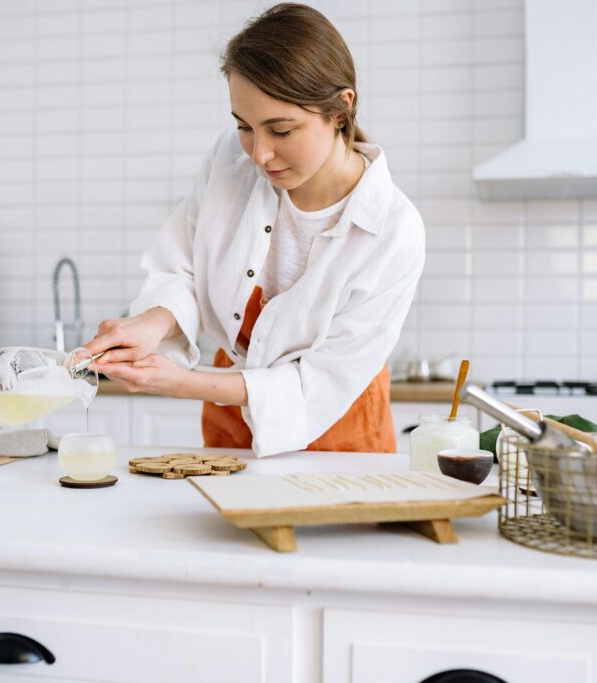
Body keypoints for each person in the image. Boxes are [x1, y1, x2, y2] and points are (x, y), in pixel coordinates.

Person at [83, 3, 425, 456]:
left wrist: (183, 383)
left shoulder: (394, 231)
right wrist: (153, 321)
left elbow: (319, 383)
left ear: (341, 109)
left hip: (338, 419)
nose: (259, 154)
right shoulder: (230, 159)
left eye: (281, 130)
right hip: (226, 402)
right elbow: (183, 266)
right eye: (244, 126)